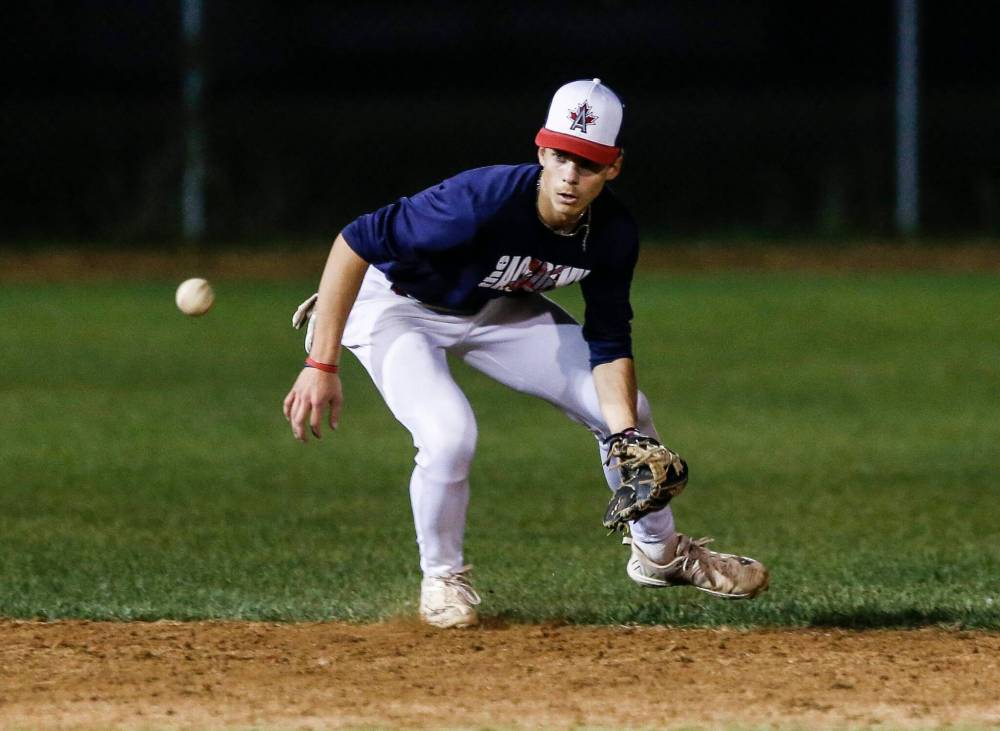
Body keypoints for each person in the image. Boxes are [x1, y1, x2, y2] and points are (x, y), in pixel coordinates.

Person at [282, 79, 769, 629]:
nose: (570, 174)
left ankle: (660, 556)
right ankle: (443, 579)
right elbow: (355, 241)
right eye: (561, 155)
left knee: (630, 415)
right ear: (542, 150)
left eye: (588, 162)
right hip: (398, 306)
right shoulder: (479, 202)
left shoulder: (612, 233)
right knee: (449, 434)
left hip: (496, 306)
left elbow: (609, 341)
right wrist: (321, 362)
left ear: (613, 168)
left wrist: (625, 436)